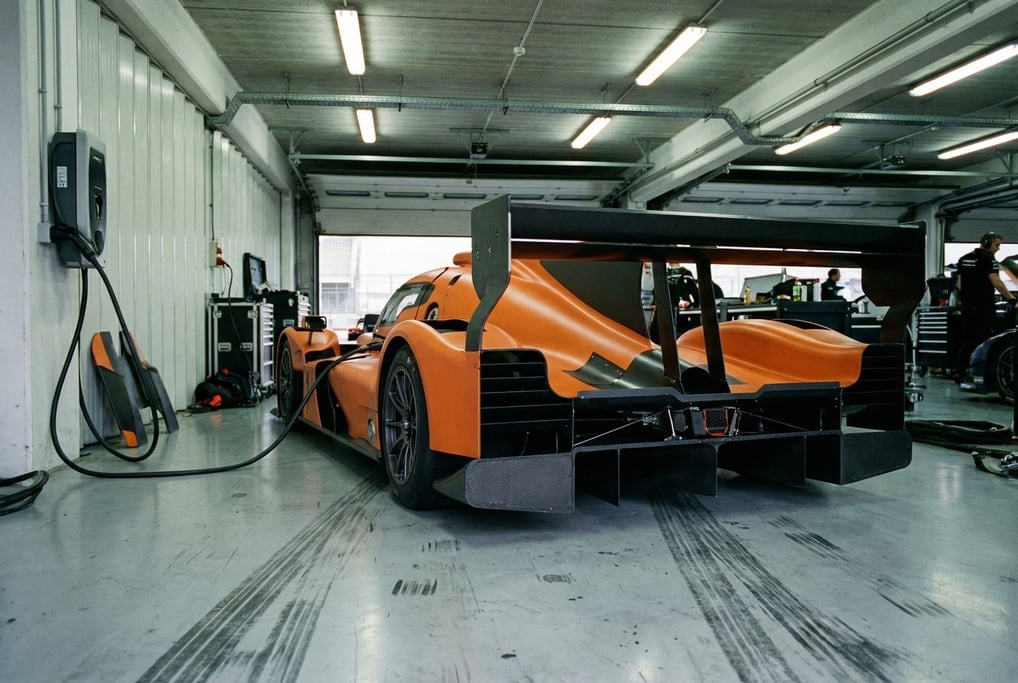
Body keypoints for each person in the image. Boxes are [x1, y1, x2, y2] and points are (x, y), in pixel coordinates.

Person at [954, 232, 1016, 380]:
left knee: (967, 339)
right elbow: (997, 283)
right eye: (997, 245)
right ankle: (981, 374)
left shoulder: (964, 259)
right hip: (984, 306)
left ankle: (960, 372)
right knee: (984, 339)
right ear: (987, 243)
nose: (998, 249)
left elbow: (959, 284)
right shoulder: (989, 260)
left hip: (968, 307)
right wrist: (1012, 299)